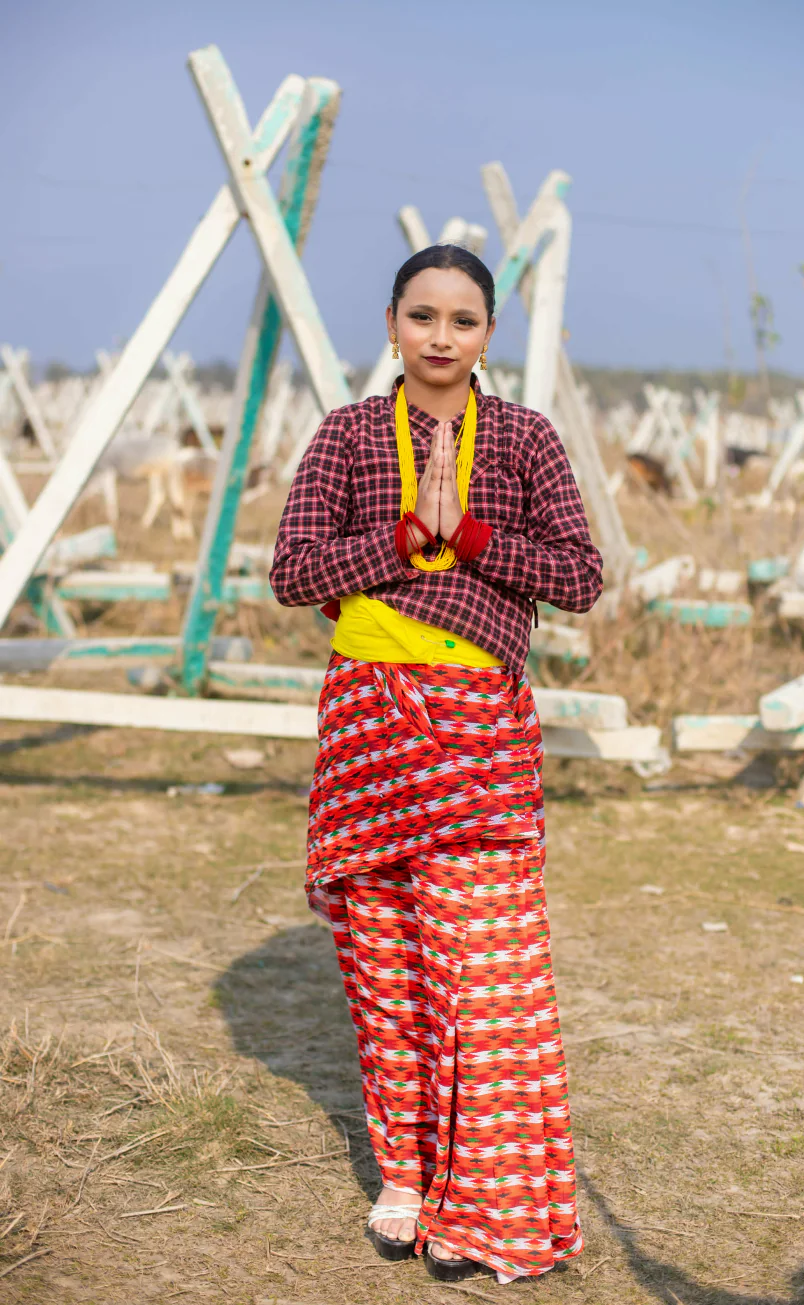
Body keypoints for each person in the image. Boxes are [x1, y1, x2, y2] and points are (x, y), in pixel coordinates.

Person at [270, 244, 603, 1284]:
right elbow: (292, 572)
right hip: (368, 727)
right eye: (423, 316)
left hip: (478, 734)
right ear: (391, 324)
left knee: (487, 971)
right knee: (388, 968)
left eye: (463, 319)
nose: (441, 336)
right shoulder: (346, 436)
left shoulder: (526, 438)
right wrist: (404, 535)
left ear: (488, 334)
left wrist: (475, 540)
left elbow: (581, 577)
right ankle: (407, 1177)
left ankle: (489, 1205)